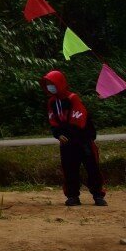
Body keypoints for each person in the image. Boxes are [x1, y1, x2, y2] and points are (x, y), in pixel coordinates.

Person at [42, 70, 106, 207]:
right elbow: (53, 121)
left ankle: (98, 195)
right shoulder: (51, 102)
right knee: (69, 169)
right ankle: (72, 196)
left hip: (84, 140)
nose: (49, 86)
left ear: (59, 83)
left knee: (92, 168)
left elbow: (78, 121)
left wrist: (67, 135)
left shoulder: (73, 98)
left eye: (51, 83)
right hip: (66, 142)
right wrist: (58, 134)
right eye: (47, 84)